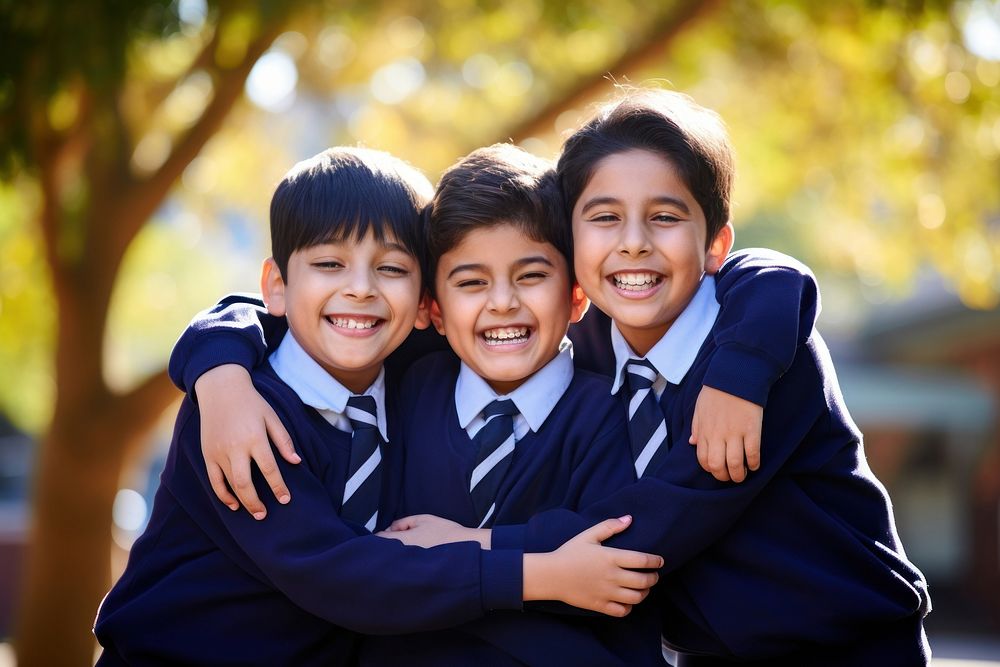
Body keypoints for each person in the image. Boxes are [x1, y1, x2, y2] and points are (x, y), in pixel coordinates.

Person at [92, 146, 662, 666]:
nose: (361, 289)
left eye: (391, 269)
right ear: (278, 286)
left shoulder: (413, 368)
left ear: (423, 305)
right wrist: (217, 372)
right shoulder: (246, 418)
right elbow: (339, 575)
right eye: (329, 264)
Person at [439, 88, 928, 664]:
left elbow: (651, 527)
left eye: (665, 218)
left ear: (714, 243)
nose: (634, 243)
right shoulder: (584, 348)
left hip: (850, 649)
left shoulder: (765, 358)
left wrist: (482, 546)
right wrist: (299, 392)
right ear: (569, 243)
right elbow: (419, 318)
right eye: (605, 218)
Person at [360, 143, 663, 665]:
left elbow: (611, 569)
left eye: (531, 276)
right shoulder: (405, 391)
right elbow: (296, 318)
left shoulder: (618, 409)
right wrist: (218, 362)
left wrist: (465, 547)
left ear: (576, 295)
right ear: (431, 307)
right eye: (472, 282)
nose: (502, 301)